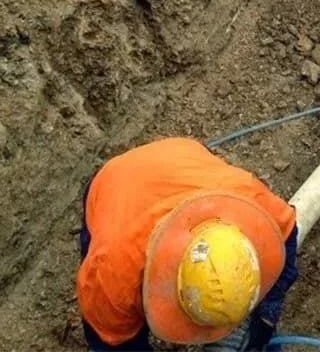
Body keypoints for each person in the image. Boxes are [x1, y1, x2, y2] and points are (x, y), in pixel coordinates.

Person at [76, 137, 298, 351]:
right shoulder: (113, 274)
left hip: (183, 156)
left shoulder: (256, 208)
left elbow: (287, 235)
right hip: (117, 182)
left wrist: (263, 318)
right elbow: (113, 343)